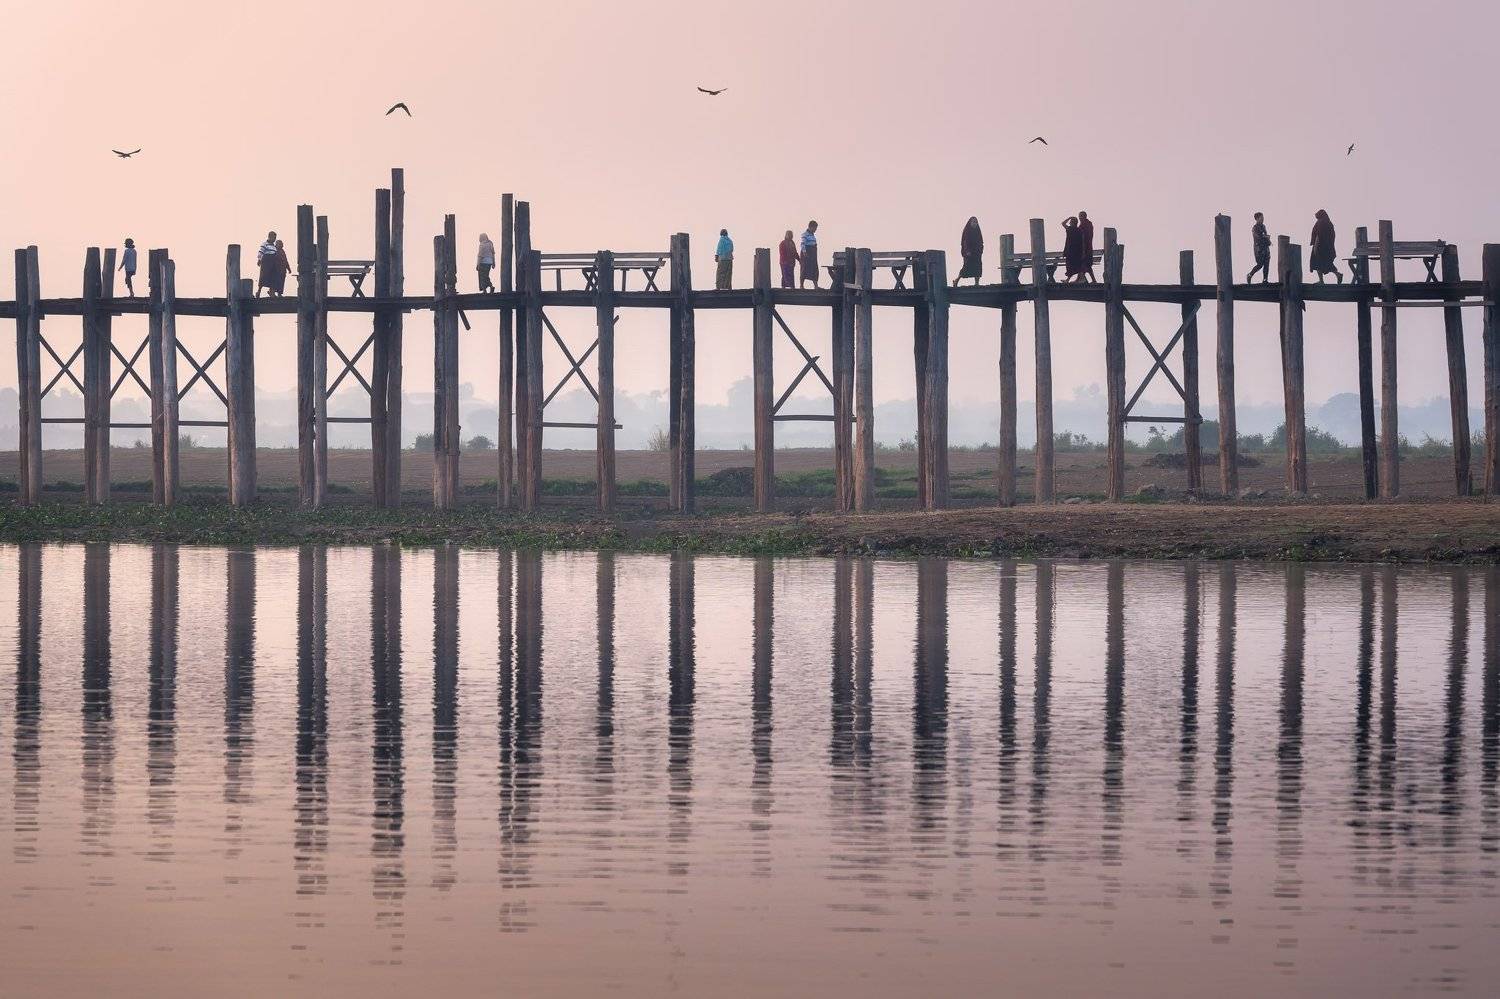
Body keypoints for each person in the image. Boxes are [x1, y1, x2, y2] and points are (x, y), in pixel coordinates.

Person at [1309, 209, 1343, 284]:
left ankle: (1322, 281)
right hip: (1327, 248)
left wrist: (1315, 247)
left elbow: (1318, 235)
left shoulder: (1320, 222)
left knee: (1316, 263)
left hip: (1319, 247)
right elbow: (1332, 236)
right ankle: (1338, 274)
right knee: (1326, 263)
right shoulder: (1329, 223)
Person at [954, 216, 983, 287]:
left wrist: (981, 250)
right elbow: (965, 242)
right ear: (970, 223)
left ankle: (977, 283)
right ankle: (956, 280)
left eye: (976, 222)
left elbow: (981, 241)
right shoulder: (967, 230)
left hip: (977, 252)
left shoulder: (978, 231)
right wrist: (967, 251)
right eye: (973, 222)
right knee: (966, 267)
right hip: (968, 253)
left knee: (978, 267)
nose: (975, 224)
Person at [1247, 212, 1272, 283]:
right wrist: (1265, 237)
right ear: (1257, 219)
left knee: (1267, 264)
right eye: (1261, 217)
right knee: (1260, 264)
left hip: (1266, 248)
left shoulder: (1263, 226)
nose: (1263, 219)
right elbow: (1258, 238)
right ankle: (1250, 275)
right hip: (1259, 249)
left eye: (1263, 217)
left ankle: (1265, 279)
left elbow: (1265, 236)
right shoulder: (1255, 228)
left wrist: (1268, 240)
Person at [255, 230, 278, 297]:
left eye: (275, 238)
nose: (274, 239)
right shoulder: (264, 244)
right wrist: (259, 260)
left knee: (273, 277)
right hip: (266, 262)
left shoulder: (274, 246)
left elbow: (275, 253)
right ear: (269, 237)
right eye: (273, 238)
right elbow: (261, 252)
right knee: (263, 277)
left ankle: (272, 293)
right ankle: (258, 292)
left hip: (273, 262)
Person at [1061, 216, 1084, 282]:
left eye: (1070, 222)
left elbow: (1063, 223)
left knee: (1069, 266)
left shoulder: (1070, 229)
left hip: (1070, 250)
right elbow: (1082, 242)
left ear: (1072, 223)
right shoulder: (1079, 230)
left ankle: (1069, 279)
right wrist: (1083, 252)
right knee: (1077, 265)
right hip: (1078, 251)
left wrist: (1069, 217)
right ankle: (1077, 279)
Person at [799, 220, 820, 288]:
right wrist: (804, 252)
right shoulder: (804, 234)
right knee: (804, 268)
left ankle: (816, 286)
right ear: (811, 227)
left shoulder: (812, 235)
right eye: (815, 228)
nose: (815, 230)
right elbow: (802, 244)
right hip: (807, 253)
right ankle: (801, 285)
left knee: (814, 269)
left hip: (813, 254)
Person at [1078, 211, 1096, 282]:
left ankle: (1082, 279)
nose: (1080, 218)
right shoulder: (1088, 224)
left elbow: (1083, 236)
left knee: (1084, 264)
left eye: (1081, 216)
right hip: (1088, 247)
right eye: (1079, 216)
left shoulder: (1085, 224)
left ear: (1085, 216)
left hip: (1085, 247)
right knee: (1086, 265)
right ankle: (1081, 278)